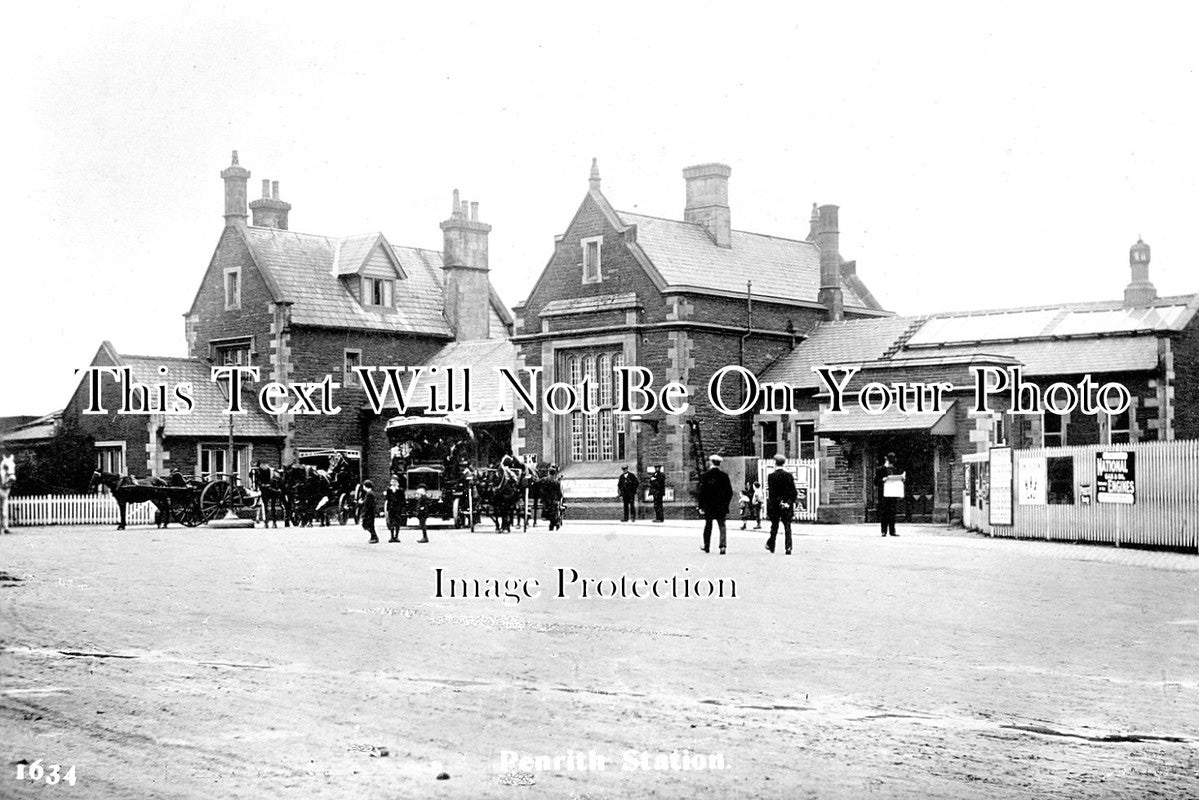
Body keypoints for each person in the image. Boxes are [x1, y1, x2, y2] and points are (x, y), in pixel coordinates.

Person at [697, 454, 733, 554]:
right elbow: (729, 492)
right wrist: (726, 504)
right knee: (722, 525)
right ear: (719, 463)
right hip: (721, 505)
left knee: (708, 525)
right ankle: (723, 546)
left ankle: (706, 546)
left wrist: (701, 506)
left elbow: (702, 492)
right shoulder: (724, 476)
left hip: (709, 505)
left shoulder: (705, 476)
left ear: (711, 462)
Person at [766, 454, 798, 554]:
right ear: (784, 463)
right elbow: (793, 492)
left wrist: (778, 502)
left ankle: (772, 545)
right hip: (787, 505)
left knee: (774, 526)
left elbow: (772, 494)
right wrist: (787, 503)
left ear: (775, 463)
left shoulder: (771, 476)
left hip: (776, 505)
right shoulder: (789, 476)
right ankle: (788, 547)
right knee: (787, 527)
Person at [874, 452, 905, 538]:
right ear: (886, 459)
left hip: (893, 493)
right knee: (884, 512)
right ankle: (884, 531)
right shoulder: (880, 469)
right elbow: (875, 482)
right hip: (884, 494)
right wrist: (883, 480)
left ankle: (892, 531)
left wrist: (901, 479)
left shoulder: (895, 469)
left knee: (892, 512)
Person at [539, 465, 564, 531]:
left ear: (548, 473)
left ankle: (553, 523)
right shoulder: (556, 483)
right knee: (554, 511)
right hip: (553, 500)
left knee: (548, 512)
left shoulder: (544, 480)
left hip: (546, 500)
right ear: (554, 474)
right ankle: (555, 523)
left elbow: (538, 484)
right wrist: (559, 499)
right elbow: (560, 494)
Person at [384, 474, 404, 543]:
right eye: (392, 481)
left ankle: (397, 536)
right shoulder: (389, 490)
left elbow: (402, 500)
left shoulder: (400, 490)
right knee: (391, 522)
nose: (393, 483)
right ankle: (392, 536)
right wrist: (387, 509)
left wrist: (401, 508)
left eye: (395, 481)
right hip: (391, 508)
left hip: (398, 509)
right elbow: (387, 499)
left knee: (397, 523)